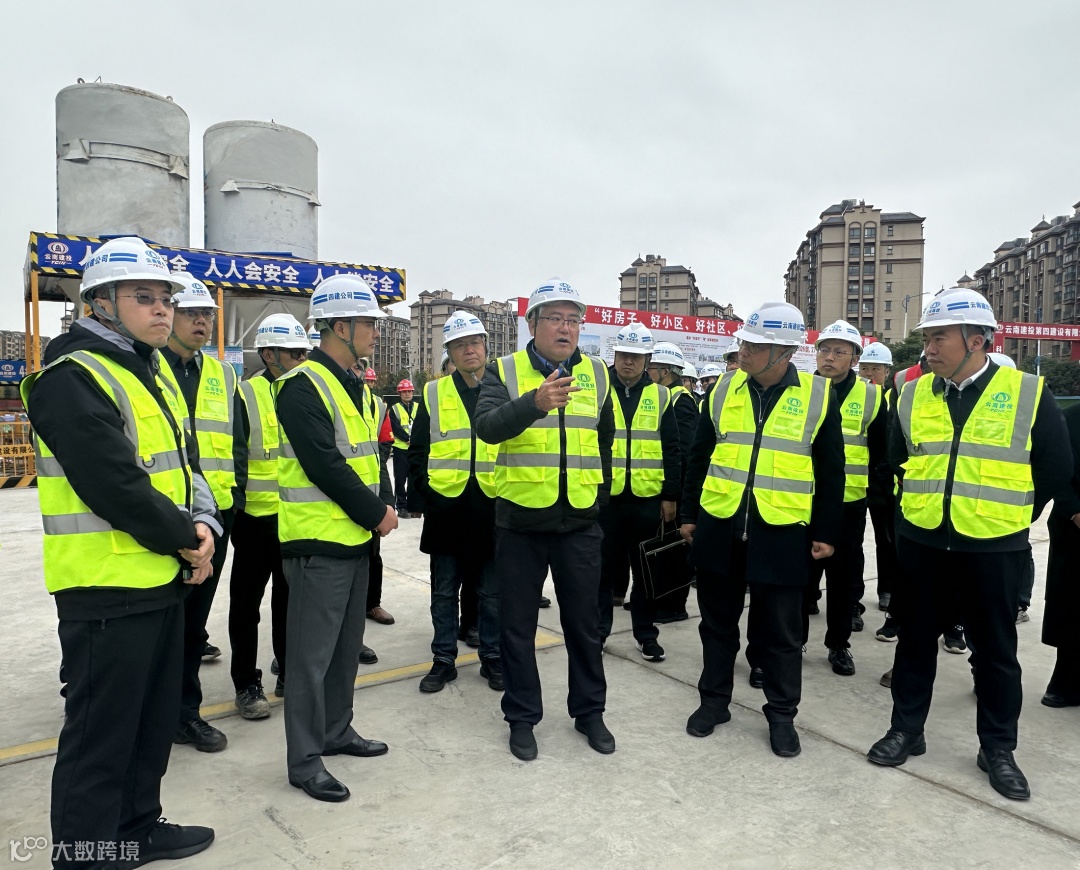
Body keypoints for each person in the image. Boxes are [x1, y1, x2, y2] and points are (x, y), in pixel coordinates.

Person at [23, 237, 217, 867]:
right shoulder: (71, 378)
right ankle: (85, 855)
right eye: (144, 297)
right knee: (101, 737)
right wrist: (188, 541)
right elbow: (115, 485)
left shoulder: (149, 374)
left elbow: (184, 467)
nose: (162, 310)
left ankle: (136, 829)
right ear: (100, 303)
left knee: (149, 723)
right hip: (104, 588)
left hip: (157, 577)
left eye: (165, 298)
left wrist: (204, 523)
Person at [866, 288, 1075, 801]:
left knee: (997, 653)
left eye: (939, 338)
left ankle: (998, 749)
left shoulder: (1027, 391)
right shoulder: (911, 393)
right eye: (927, 338)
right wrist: (908, 522)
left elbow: (1055, 466)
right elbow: (895, 460)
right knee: (915, 643)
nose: (929, 348)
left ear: (976, 340)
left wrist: (1013, 515)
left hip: (994, 547)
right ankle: (906, 730)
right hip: (923, 543)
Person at [680, 301, 844, 758]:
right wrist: (690, 514)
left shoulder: (817, 396)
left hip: (782, 530)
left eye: (753, 346)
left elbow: (832, 470)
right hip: (720, 524)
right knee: (716, 626)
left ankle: (781, 715)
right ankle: (713, 703)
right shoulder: (722, 389)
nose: (743, 352)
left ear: (783, 353)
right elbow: (699, 456)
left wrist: (826, 531)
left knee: (781, 635)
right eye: (743, 343)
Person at [475, 279, 615, 761]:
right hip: (520, 523)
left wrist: (598, 500)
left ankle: (589, 712)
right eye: (554, 318)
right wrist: (532, 404)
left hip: (580, 523)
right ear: (532, 324)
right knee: (517, 628)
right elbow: (487, 428)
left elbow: (604, 441)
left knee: (584, 626)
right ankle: (522, 717)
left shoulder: (597, 373)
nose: (565, 328)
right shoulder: (504, 371)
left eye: (573, 320)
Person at [274, 274, 396, 802]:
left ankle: (336, 731)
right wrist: (376, 513)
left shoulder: (358, 387)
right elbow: (323, 463)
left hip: (356, 541)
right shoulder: (301, 386)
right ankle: (305, 760)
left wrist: (383, 505)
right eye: (368, 323)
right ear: (340, 326)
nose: (375, 331)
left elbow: (370, 457)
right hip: (318, 545)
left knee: (345, 651)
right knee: (310, 660)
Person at [160, 272, 241, 754]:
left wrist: (234, 503)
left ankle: (184, 714)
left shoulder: (224, 374)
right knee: (155, 622)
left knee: (193, 621)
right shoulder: (146, 366)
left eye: (207, 314)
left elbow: (238, 441)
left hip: (214, 519)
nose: (201, 322)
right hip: (162, 515)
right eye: (191, 312)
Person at [408, 310, 503, 692]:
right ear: (450, 351)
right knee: (444, 591)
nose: (469, 350)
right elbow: (418, 450)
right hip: (447, 508)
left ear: (485, 345)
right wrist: (427, 495)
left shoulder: (502, 389)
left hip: (492, 504)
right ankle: (443, 659)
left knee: (491, 592)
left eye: (474, 342)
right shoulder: (434, 393)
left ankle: (492, 657)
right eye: (460, 345)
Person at [229, 313, 309, 717]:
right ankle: (246, 683)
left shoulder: (307, 392)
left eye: (303, 353)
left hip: (295, 518)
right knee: (246, 604)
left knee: (290, 602)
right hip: (254, 521)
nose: (301, 360)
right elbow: (234, 457)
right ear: (269, 354)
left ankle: (288, 671)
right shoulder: (246, 395)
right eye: (294, 354)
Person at [801, 320, 884, 677]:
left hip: (849, 503)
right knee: (801, 577)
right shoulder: (800, 390)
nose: (829, 357)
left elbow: (881, 454)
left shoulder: (871, 397)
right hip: (802, 499)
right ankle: (793, 640)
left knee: (843, 579)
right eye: (824, 350)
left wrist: (875, 498)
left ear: (854, 359)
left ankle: (838, 644)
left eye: (839, 352)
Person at [597, 324, 682, 660]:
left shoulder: (661, 396)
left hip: (647, 499)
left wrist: (670, 495)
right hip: (606, 498)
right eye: (623, 355)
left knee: (646, 572)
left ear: (648, 360)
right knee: (602, 571)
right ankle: (598, 633)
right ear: (615, 355)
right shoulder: (600, 390)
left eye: (635, 356)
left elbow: (672, 448)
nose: (628, 362)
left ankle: (646, 634)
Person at [648, 341, 700, 624]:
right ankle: (657, 600)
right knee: (661, 550)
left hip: (677, 490)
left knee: (674, 552)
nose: (647, 371)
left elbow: (684, 450)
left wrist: (675, 492)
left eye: (651, 367)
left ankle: (674, 605)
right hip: (664, 486)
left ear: (666, 371)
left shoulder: (682, 401)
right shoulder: (663, 396)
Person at [1042, 401, 1080, 708]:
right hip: (1074, 527)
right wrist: (1075, 510)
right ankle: (1066, 683)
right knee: (1072, 604)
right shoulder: (1069, 418)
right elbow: (1054, 469)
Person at [355, 360, 397, 632]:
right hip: (337, 491)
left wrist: (387, 501)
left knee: (373, 554)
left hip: (370, 489)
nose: (357, 372)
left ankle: (372, 604)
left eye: (361, 367)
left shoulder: (376, 405)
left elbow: (382, 452)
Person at [390, 379, 418, 518]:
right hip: (400, 449)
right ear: (400, 393)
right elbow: (394, 427)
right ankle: (401, 506)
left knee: (414, 479)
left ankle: (413, 506)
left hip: (414, 450)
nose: (407, 394)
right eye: (404, 391)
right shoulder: (394, 409)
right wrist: (407, 438)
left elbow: (423, 424)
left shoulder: (418, 407)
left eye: (409, 391)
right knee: (400, 479)